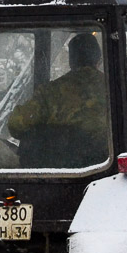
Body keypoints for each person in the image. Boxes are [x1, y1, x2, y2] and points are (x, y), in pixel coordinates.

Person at [8, 33, 109, 167]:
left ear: (71, 61)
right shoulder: (114, 90)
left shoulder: (51, 92)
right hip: (107, 173)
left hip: (57, 173)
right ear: (99, 60)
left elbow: (16, 124)